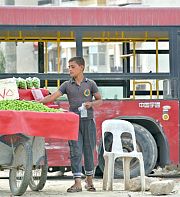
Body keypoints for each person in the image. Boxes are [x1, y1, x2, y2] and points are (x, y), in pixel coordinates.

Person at [39, 56, 102, 192]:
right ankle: (77, 183)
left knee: (89, 151)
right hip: (73, 123)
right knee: (75, 151)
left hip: (88, 122)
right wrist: (37, 102)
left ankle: (89, 181)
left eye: (73, 67)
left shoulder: (90, 84)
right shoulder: (67, 85)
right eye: (69, 67)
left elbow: (99, 100)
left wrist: (91, 104)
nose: (70, 69)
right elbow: (52, 96)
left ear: (81, 68)